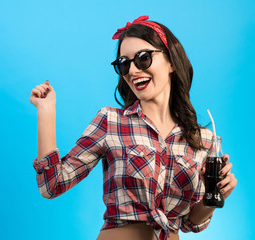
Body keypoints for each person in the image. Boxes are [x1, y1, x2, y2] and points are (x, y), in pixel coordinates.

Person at [29, 15, 237, 240]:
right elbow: (52, 185)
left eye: (143, 58)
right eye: (124, 63)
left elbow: (189, 223)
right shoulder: (111, 122)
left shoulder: (203, 140)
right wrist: (46, 111)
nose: (132, 70)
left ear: (171, 63)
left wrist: (215, 197)